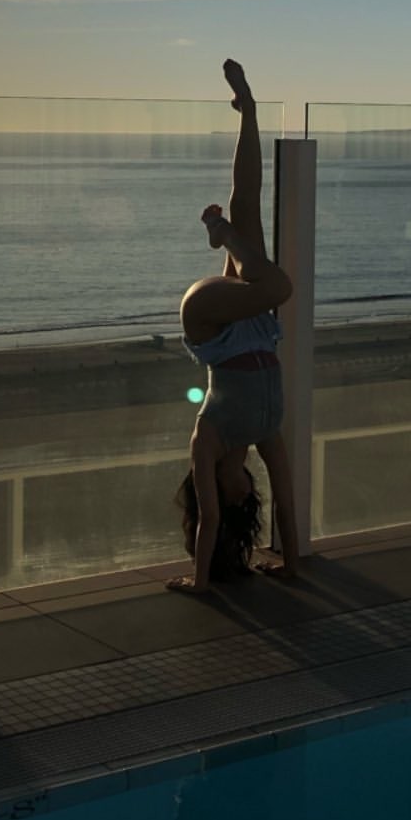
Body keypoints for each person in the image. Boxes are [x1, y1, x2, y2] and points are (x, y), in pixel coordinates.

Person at [167, 58, 301, 593]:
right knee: (248, 203)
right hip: (252, 325)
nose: (249, 494)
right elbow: (286, 502)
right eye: (250, 498)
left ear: (220, 486)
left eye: (238, 497)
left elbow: (209, 520)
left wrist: (200, 583)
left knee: (278, 286)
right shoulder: (264, 431)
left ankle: (220, 234)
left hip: (208, 324)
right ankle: (248, 110)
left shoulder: (209, 440)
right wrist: (291, 566)